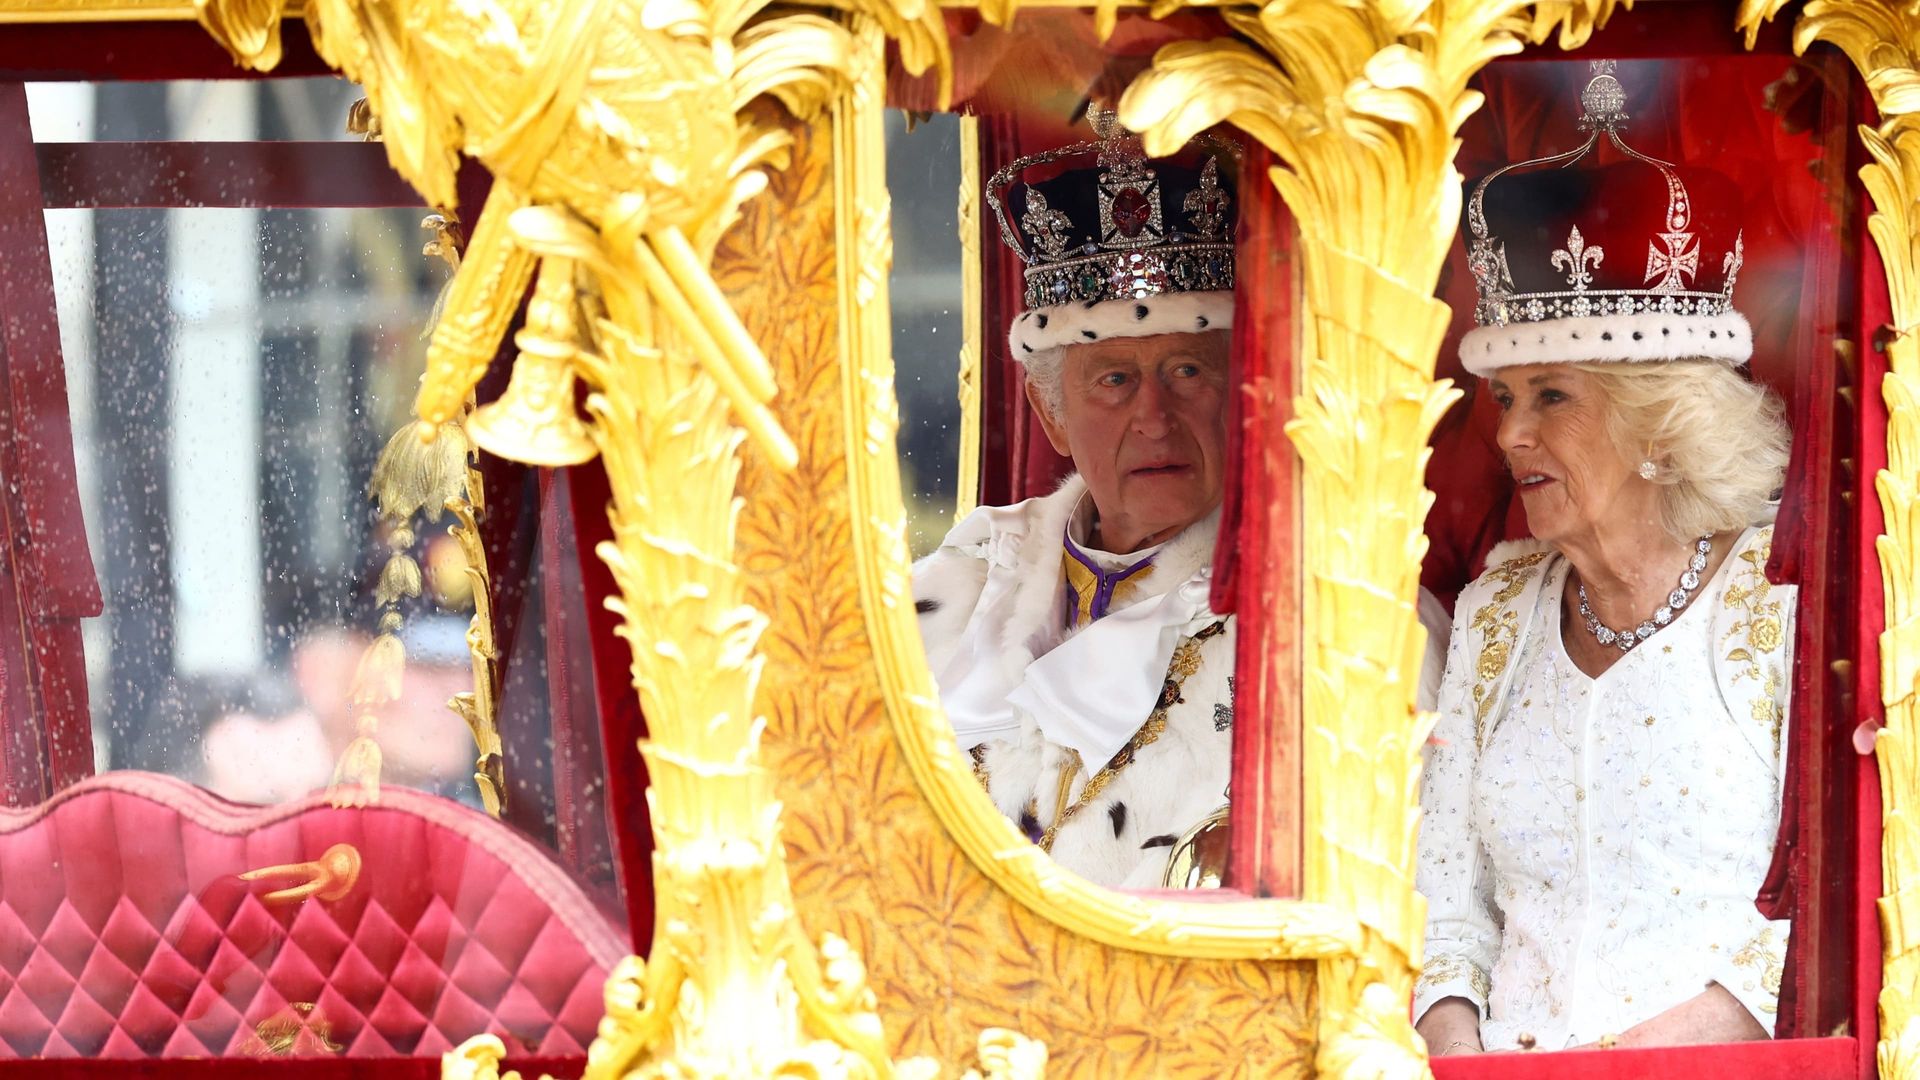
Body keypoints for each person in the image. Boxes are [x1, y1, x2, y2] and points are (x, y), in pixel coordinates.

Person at [915, 110, 1449, 889]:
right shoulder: (958, 584)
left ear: (1246, 396)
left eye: (1189, 372)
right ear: (1050, 419)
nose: (1154, 417)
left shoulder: (1345, 615)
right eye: (1114, 381)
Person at [1415, 66, 1795, 1054]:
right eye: (1505, 399)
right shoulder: (1496, 615)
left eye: (1552, 398)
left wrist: (1620, 1070)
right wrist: (1460, 1059)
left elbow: (1806, 924)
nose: (1507, 439)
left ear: (1658, 425)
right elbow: (1448, 911)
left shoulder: (1778, 602)